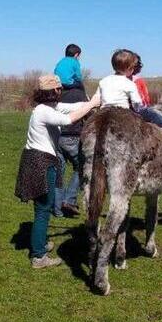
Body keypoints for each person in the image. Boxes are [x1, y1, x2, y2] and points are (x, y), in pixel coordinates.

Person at [15, 75, 100, 268]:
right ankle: (38, 256)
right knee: (43, 209)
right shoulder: (44, 112)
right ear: (54, 91)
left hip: (39, 160)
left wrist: (90, 103)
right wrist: (93, 102)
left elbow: (72, 107)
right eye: (59, 88)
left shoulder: (47, 108)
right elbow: (69, 119)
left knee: (43, 208)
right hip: (40, 162)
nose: (61, 91)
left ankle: (41, 244)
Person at [96, 49, 162, 151]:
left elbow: (99, 98)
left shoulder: (103, 81)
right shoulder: (129, 83)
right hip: (123, 111)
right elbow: (137, 102)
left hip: (104, 112)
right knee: (152, 113)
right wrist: (139, 107)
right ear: (130, 68)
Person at [53, 79, 88, 218]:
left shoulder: (59, 93)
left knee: (59, 173)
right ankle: (69, 199)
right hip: (73, 135)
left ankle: (57, 209)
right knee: (82, 167)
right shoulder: (81, 95)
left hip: (57, 136)